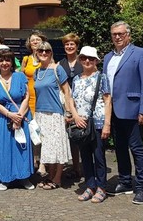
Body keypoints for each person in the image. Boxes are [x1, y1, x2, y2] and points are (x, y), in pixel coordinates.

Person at [103, 21, 143, 205]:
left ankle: (142, 187)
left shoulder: (140, 53)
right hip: (113, 111)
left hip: (133, 110)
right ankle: (125, 182)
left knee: (137, 149)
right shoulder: (108, 57)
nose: (117, 37)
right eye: (114, 34)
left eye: (121, 34)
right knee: (120, 149)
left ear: (128, 35)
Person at [0, 48, 34, 191]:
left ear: (12, 62)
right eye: (1, 60)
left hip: (21, 115)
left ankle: (23, 177)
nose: (4, 63)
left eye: (7, 60)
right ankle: (5, 177)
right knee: (4, 148)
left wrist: (18, 115)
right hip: (3, 118)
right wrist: (9, 115)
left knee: (21, 147)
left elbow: (27, 96)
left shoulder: (20, 76)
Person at [69, 46, 112, 203]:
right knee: (85, 157)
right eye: (84, 58)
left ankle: (101, 188)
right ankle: (90, 185)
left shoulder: (101, 78)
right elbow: (71, 101)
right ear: (80, 60)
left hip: (98, 122)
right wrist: (75, 116)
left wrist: (107, 124)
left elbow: (108, 101)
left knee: (99, 156)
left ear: (96, 61)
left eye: (91, 58)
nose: (87, 61)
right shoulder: (76, 79)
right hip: (81, 123)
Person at [32, 41, 72, 190]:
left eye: (47, 51)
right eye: (41, 51)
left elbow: (67, 91)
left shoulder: (57, 69)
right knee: (46, 146)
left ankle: (57, 178)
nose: (43, 53)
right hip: (40, 112)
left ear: (51, 53)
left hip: (55, 113)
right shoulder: (37, 72)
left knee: (57, 146)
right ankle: (49, 175)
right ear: (36, 53)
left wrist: (68, 112)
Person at [21, 31, 47, 175]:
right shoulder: (26, 59)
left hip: (43, 100)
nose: (35, 42)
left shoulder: (46, 57)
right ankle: (33, 160)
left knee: (43, 132)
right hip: (28, 100)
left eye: (38, 40)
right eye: (33, 40)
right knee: (31, 131)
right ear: (29, 44)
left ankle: (43, 163)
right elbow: (21, 76)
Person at [58, 33, 83, 179]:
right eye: (67, 44)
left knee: (84, 135)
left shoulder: (84, 61)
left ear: (76, 46)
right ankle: (75, 167)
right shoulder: (61, 64)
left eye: (72, 44)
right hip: (66, 103)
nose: (69, 46)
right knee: (72, 135)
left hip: (82, 103)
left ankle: (86, 165)